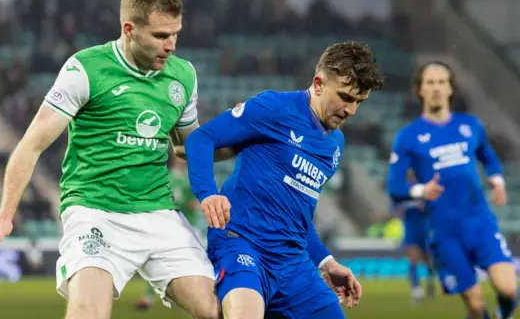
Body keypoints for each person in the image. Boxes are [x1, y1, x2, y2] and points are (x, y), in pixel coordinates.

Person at [0, 0, 232, 319]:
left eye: (175, 34)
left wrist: (244, 144)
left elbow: (189, 149)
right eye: (160, 35)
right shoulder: (86, 69)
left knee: (218, 310)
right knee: (88, 312)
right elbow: (31, 145)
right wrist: (5, 216)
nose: (171, 45)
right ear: (129, 29)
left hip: (157, 210)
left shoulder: (183, 76)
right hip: (94, 210)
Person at [184, 41, 384, 319]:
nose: (351, 110)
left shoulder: (335, 144)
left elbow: (299, 217)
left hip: (292, 262)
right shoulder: (274, 107)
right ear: (318, 84)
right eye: (346, 98)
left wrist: (326, 262)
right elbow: (201, 139)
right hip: (242, 243)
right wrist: (207, 193)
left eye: (359, 102)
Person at [387, 61, 516, 319]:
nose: (436, 88)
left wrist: (497, 180)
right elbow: (395, 186)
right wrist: (421, 191)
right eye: (430, 83)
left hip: (480, 223)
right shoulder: (408, 137)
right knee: (476, 306)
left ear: (451, 88)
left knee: (509, 289)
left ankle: (504, 314)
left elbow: (488, 157)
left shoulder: (471, 125)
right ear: (420, 90)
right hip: (444, 232)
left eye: (441, 82)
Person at [135, 154, 207, 311]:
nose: (181, 161)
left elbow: (196, 203)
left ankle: (205, 293)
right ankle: (148, 297)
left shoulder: (190, 179)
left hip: (191, 226)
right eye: (179, 158)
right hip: (169, 226)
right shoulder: (165, 176)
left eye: (183, 159)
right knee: (155, 258)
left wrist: (191, 204)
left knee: (202, 261)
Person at [392, 169, 436, 304]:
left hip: (424, 229)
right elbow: (395, 209)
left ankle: (430, 281)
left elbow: (431, 207)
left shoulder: (424, 187)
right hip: (410, 229)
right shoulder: (402, 191)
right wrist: (399, 211)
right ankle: (416, 291)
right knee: (413, 260)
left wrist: (425, 207)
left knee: (428, 260)